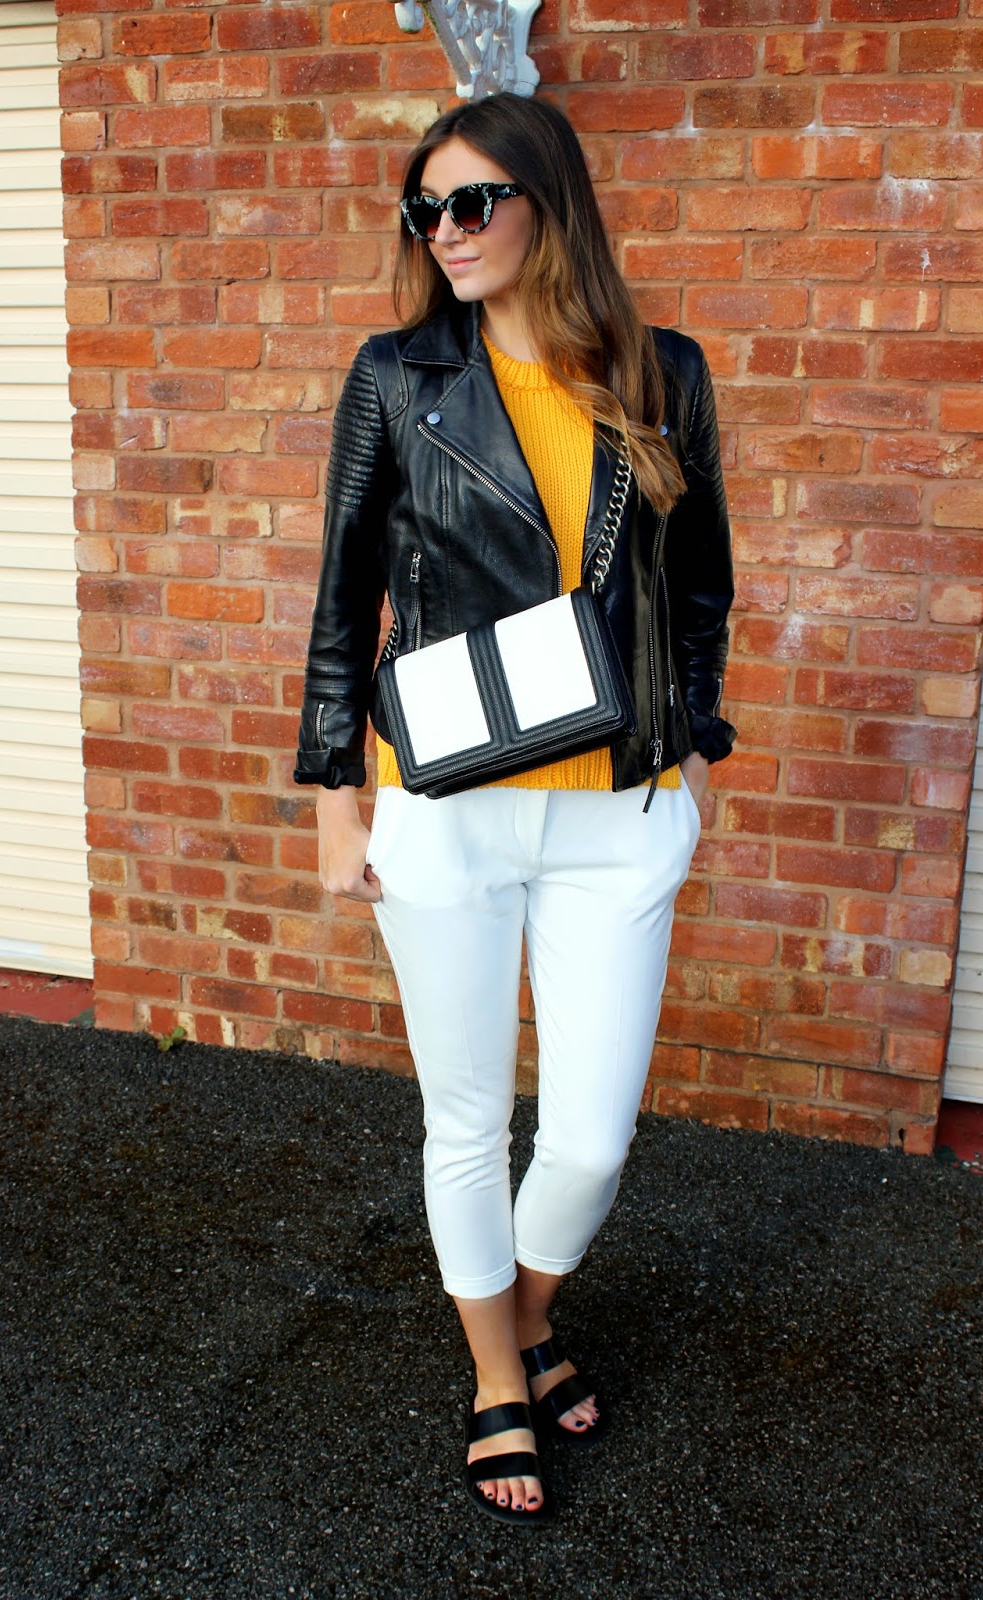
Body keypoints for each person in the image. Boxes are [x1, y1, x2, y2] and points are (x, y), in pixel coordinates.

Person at [293, 92, 736, 1526]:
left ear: (552, 204)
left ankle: (527, 1313)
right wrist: (335, 795)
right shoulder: (397, 377)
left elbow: (703, 585)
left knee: (592, 1138)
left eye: (475, 200)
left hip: (619, 808)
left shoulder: (661, 372)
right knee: (469, 1119)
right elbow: (343, 594)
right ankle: (500, 1369)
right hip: (447, 802)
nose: (447, 230)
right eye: (426, 208)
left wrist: (698, 748)